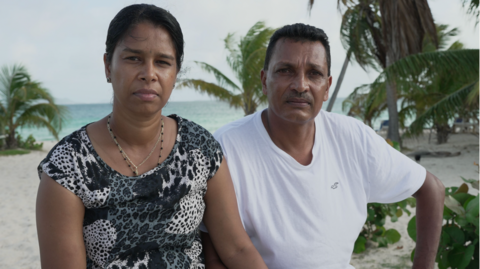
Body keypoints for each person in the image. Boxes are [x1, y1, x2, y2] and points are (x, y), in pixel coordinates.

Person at [35, 4, 267, 269]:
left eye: (163, 62)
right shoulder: (68, 166)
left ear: (176, 73)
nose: (149, 74)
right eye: (133, 58)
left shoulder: (200, 149)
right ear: (108, 66)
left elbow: (237, 249)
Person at [201, 23, 445, 269]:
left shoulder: (353, 138)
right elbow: (214, 255)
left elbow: (431, 188)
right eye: (285, 70)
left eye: (314, 73)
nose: (300, 85)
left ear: (327, 87)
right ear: (265, 81)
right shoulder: (226, 147)